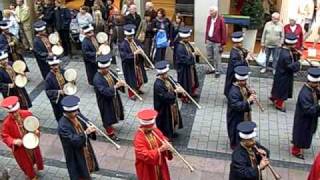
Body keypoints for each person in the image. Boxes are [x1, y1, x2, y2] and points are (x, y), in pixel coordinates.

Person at [1, 96, 44, 180]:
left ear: (18, 108)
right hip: (21, 149)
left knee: (35, 157)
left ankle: (35, 168)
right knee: (26, 163)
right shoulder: (6, 123)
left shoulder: (27, 114)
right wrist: (13, 141)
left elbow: (35, 124)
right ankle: (32, 176)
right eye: (11, 113)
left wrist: (36, 131)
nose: (14, 114)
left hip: (31, 142)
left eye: (15, 112)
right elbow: (4, 136)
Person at [58, 95, 99, 180]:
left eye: (76, 111)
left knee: (88, 165)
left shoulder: (76, 114)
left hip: (84, 147)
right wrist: (86, 132)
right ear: (67, 113)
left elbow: (85, 121)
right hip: (75, 153)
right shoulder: (62, 126)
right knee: (79, 171)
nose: (77, 113)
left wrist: (90, 126)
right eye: (74, 112)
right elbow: (73, 140)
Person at [134, 108, 173, 180]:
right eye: (150, 128)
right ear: (144, 127)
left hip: (159, 163)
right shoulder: (139, 138)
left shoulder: (154, 130)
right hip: (148, 168)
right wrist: (160, 149)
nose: (153, 128)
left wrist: (167, 145)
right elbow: (144, 155)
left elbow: (162, 138)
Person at [93, 54, 125, 140]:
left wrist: (120, 83)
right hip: (104, 101)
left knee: (114, 112)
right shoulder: (97, 79)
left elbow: (116, 80)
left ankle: (111, 124)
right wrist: (115, 87)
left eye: (108, 67)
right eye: (105, 68)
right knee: (107, 115)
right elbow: (103, 91)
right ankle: (110, 133)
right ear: (101, 68)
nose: (108, 69)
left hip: (113, 97)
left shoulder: (109, 72)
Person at [291, 68, 320, 159]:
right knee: (301, 135)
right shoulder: (305, 94)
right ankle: (296, 151)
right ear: (311, 82)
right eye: (316, 83)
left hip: (309, 120)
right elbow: (308, 110)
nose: (318, 85)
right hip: (303, 120)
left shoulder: (312, 89)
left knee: (305, 134)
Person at [269, 34, 301, 112]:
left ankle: (274, 97)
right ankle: (279, 104)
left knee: (277, 87)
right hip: (284, 75)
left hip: (281, 73)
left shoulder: (285, 51)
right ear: (291, 44)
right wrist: (299, 62)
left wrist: (296, 55)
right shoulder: (286, 55)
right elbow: (290, 66)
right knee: (282, 89)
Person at [227, 66, 256, 149]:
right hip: (235, 116)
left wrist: (251, 94)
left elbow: (246, 96)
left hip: (243, 114)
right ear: (238, 80)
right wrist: (248, 101)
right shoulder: (233, 91)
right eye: (243, 80)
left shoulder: (242, 86)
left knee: (244, 127)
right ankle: (236, 145)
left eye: (245, 80)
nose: (245, 82)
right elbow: (236, 105)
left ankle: (244, 140)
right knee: (235, 129)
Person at [154, 60, 183, 139]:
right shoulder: (158, 84)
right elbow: (164, 96)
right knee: (166, 121)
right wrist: (175, 92)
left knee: (172, 119)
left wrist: (177, 86)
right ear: (161, 74)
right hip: (163, 107)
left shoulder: (167, 78)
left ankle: (172, 132)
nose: (167, 74)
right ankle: (166, 136)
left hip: (171, 105)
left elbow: (174, 83)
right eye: (165, 73)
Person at [119, 24, 148, 100]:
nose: (131, 37)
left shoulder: (136, 41)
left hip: (138, 64)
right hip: (129, 66)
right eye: (129, 36)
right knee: (131, 80)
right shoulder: (123, 45)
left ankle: (137, 89)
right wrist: (134, 53)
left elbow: (142, 46)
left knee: (139, 78)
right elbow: (124, 57)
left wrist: (141, 50)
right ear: (126, 35)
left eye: (132, 35)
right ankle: (132, 93)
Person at [175, 27, 199, 103]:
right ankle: (184, 97)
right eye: (188, 37)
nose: (189, 39)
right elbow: (183, 59)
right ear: (183, 38)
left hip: (189, 67)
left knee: (192, 80)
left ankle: (191, 92)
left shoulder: (187, 44)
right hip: (184, 69)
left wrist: (195, 52)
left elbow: (191, 51)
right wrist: (193, 55)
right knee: (185, 82)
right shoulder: (180, 47)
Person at [224, 32, 252, 97]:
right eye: (240, 43)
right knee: (233, 85)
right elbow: (237, 64)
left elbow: (243, 52)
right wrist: (246, 59)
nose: (241, 44)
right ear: (236, 43)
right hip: (234, 72)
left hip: (236, 71)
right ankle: (231, 95)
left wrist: (247, 52)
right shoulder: (234, 52)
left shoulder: (238, 49)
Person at [205, 6, 226, 77]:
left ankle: (217, 71)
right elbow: (207, 28)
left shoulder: (221, 19)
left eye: (211, 11)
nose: (210, 13)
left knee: (217, 57)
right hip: (209, 40)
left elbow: (223, 32)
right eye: (210, 11)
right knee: (209, 56)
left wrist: (223, 43)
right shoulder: (209, 18)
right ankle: (211, 68)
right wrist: (206, 39)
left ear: (216, 12)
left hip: (217, 42)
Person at [45, 56, 66, 121]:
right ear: (50, 66)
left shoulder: (63, 71)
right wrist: (58, 92)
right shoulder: (49, 78)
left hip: (67, 95)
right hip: (59, 100)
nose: (56, 67)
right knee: (61, 114)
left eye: (56, 64)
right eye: (53, 65)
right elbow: (48, 91)